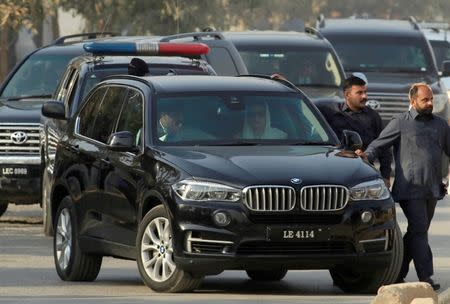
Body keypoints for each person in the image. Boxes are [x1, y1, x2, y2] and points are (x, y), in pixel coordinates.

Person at [356, 83, 450, 291]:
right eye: (425, 100)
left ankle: (397, 273)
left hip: (432, 189)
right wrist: (366, 156)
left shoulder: (440, 125)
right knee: (419, 231)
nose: (430, 103)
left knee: (417, 232)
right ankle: (426, 277)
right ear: (412, 101)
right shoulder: (400, 122)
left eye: (431, 99)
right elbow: (378, 144)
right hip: (410, 189)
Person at [318, 73, 392, 186]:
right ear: (347, 94)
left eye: (365, 92)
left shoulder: (373, 117)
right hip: (334, 170)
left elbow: (384, 147)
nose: (364, 97)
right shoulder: (331, 113)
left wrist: (386, 176)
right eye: (359, 93)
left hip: (362, 171)